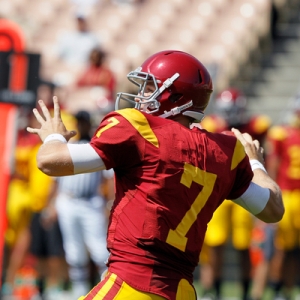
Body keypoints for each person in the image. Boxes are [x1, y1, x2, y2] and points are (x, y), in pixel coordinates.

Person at [26, 50, 284, 300]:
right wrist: (256, 165)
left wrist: (53, 136)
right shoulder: (224, 153)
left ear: (176, 95)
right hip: (181, 291)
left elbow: (49, 161)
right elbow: (273, 210)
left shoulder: (140, 130)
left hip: (133, 284)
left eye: (149, 88)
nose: (140, 96)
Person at [199, 88, 272, 300]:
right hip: (220, 191)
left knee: (243, 244)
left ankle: (246, 291)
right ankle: (213, 289)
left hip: (246, 188)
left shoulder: (256, 126)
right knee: (215, 244)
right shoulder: (212, 126)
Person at [52, 110, 114, 299]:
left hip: (90, 202)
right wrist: (52, 204)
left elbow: (108, 178)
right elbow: (56, 178)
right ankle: (79, 290)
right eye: (78, 122)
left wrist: (109, 203)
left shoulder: (97, 145)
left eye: (83, 122)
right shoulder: (70, 145)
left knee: (99, 250)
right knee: (73, 249)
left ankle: (108, 288)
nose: (80, 126)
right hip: (68, 200)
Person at [262, 94, 300, 300]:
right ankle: (277, 290)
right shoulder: (282, 133)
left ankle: (288, 289)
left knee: (294, 249)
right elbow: (274, 166)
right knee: (282, 247)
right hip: (288, 194)